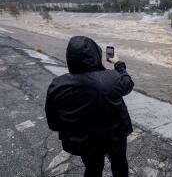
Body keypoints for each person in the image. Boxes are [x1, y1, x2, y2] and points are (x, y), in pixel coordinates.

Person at [45, 36, 134, 177]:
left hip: (84, 141)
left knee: (93, 168)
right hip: (115, 136)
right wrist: (118, 64)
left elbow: (53, 122)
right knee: (119, 163)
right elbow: (128, 83)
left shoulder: (57, 86)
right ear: (96, 55)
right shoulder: (112, 78)